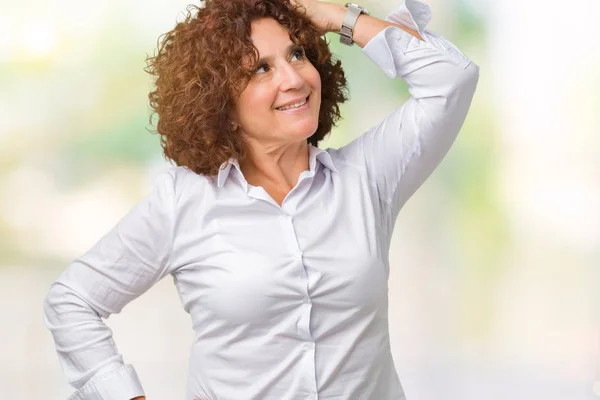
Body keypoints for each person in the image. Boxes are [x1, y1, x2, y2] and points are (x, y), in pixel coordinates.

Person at [44, 0, 479, 398]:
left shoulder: (366, 177)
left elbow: (451, 77)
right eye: (260, 69)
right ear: (219, 102)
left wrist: (338, 18)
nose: (293, 79)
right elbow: (73, 300)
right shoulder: (185, 201)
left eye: (297, 54)